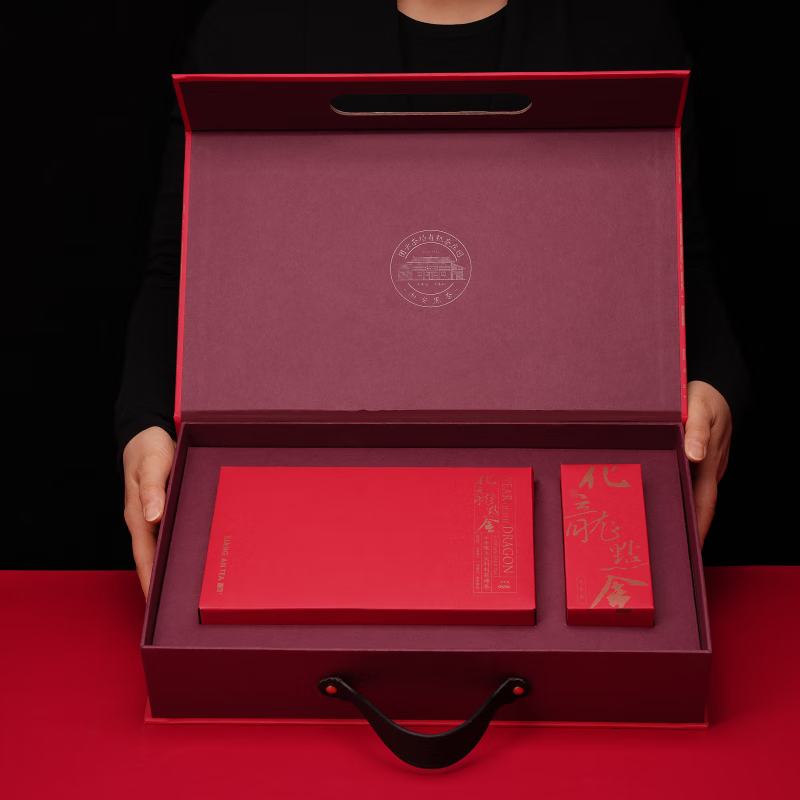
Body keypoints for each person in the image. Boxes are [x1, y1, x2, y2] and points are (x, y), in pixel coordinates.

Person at [116, 0, 748, 596]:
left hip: (562, 475)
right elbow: (184, 266)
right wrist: (144, 424)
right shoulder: (253, 27)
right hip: (319, 474)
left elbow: (676, 260)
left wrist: (715, 388)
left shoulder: (623, 25)